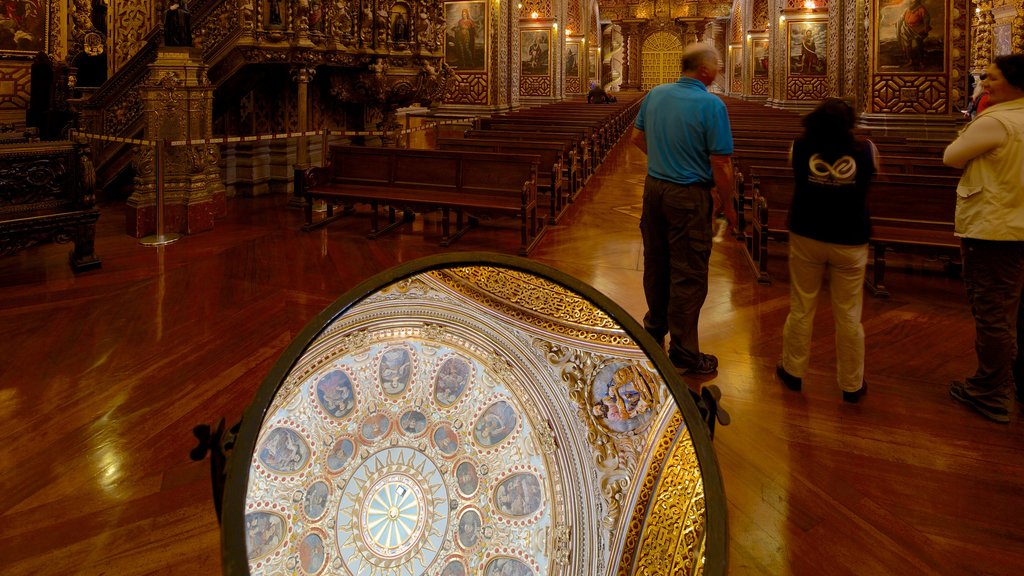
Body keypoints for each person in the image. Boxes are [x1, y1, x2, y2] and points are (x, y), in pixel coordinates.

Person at [630, 43, 737, 375]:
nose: (718, 68)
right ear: (705, 70)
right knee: (688, 272)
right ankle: (685, 354)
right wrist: (727, 205)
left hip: (654, 191)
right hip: (688, 196)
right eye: (717, 64)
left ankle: (653, 335)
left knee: (657, 263)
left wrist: (663, 161)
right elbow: (721, 162)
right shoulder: (711, 104)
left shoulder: (656, 94)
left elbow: (636, 137)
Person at [775, 98, 877, 403]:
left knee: (801, 305)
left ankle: (793, 370)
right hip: (850, 236)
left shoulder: (799, 146)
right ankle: (851, 383)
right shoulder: (867, 150)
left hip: (808, 233)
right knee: (849, 313)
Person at [942, 53, 1024, 423]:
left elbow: (951, 157)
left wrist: (981, 112)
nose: (984, 84)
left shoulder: (998, 121)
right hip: (1018, 225)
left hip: (995, 227)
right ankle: (1014, 382)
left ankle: (990, 390)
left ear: (1014, 83)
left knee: (992, 310)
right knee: (1017, 311)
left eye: (991, 79)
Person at [897, 0, 931, 70]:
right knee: (907, 45)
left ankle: (921, 61)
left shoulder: (921, 9)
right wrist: (897, 22)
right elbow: (901, 18)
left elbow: (926, 18)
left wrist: (926, 26)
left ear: (917, 1)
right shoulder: (907, 9)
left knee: (919, 45)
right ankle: (910, 61)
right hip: (906, 28)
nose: (911, 2)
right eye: (911, 1)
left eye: (913, 1)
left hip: (917, 29)